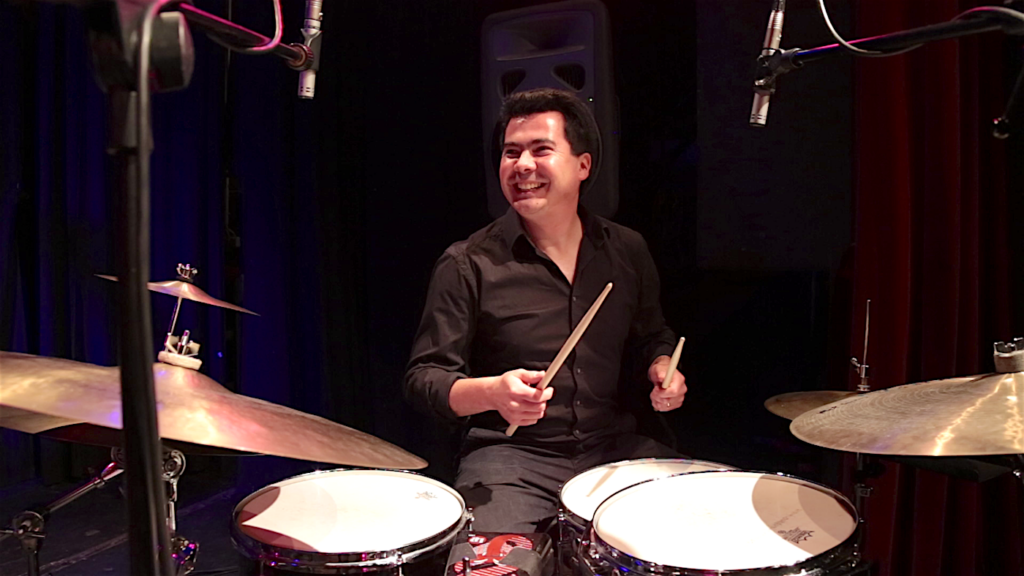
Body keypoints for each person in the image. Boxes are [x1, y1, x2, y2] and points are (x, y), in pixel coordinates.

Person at [404, 88, 686, 533]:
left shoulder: (626, 250)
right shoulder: (467, 263)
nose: (522, 165)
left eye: (540, 150)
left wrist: (663, 365)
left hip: (614, 448)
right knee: (491, 564)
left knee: (708, 531)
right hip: (511, 459)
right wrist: (493, 392)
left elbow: (652, 334)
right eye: (511, 152)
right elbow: (425, 379)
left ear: (583, 165)